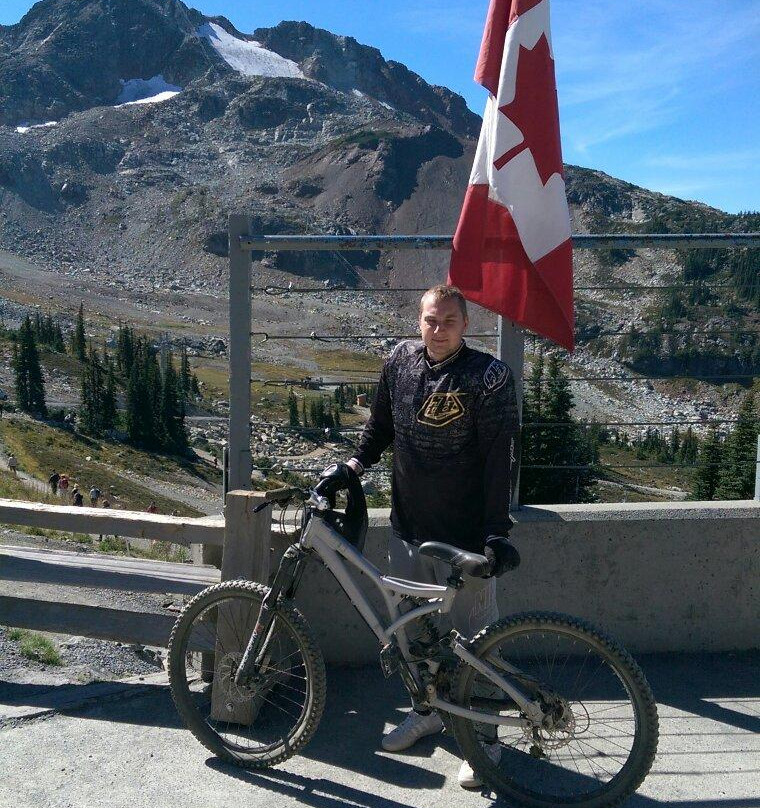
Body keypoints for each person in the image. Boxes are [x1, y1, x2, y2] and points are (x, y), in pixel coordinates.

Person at [317, 285, 520, 789]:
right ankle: (426, 710)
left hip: (467, 537)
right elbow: (379, 428)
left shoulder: (490, 378)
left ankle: (486, 741)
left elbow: (501, 461)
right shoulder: (399, 362)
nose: (438, 329)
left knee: (478, 641)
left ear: (465, 323)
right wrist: (352, 467)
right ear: (419, 321)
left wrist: (497, 533)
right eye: (430, 320)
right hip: (409, 528)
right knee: (411, 630)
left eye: (448, 321)